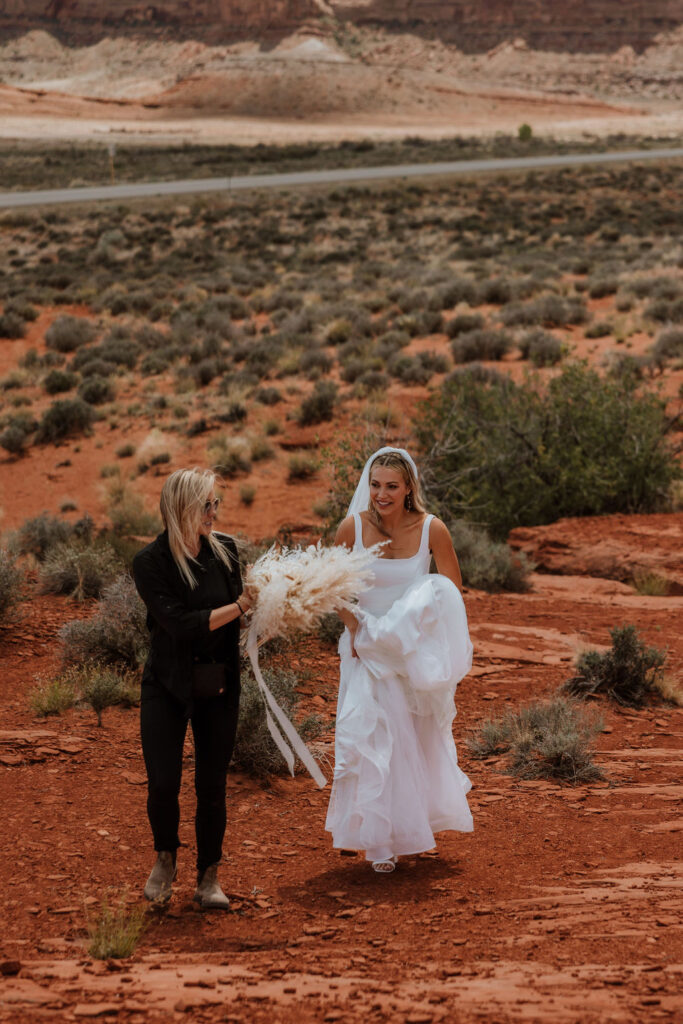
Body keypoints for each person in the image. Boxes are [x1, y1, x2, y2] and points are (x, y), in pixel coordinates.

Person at [325, 447, 473, 873]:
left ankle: (409, 829)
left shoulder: (432, 529)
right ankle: (377, 838)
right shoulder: (351, 527)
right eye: (375, 485)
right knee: (374, 737)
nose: (381, 494)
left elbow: (450, 591)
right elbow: (333, 587)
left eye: (391, 486)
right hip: (365, 646)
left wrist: (424, 636)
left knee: (412, 739)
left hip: (409, 650)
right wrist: (356, 629)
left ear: (409, 487)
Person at [132, 467, 252, 908]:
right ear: (182, 508)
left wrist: (270, 614)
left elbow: (244, 617)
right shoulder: (150, 562)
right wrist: (239, 606)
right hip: (167, 682)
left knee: (212, 786)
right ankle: (165, 858)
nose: (214, 511)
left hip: (218, 684)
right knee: (163, 782)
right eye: (206, 504)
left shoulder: (226, 552)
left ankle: (208, 878)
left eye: (215, 503)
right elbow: (180, 626)